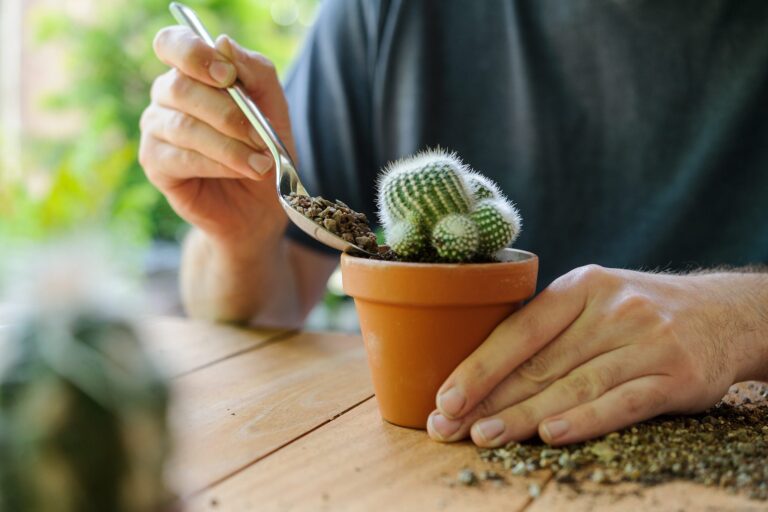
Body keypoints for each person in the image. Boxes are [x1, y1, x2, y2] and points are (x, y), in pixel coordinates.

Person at [138, 0, 768, 448]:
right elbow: (266, 307)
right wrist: (241, 244)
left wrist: (738, 319)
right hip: (422, 458)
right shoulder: (385, 13)